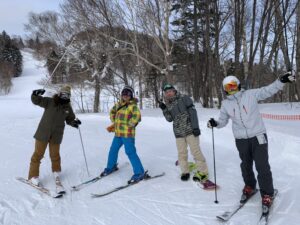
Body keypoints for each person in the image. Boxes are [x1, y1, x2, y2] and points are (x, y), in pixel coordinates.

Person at [207, 71, 295, 210]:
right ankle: (250, 185)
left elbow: (268, 90)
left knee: (262, 166)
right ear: (225, 90)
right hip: (241, 139)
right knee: (245, 165)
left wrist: (281, 81)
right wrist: (215, 123)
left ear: (238, 85)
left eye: (233, 86)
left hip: (258, 136)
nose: (231, 89)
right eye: (228, 87)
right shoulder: (225, 104)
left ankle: (267, 194)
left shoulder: (250, 94)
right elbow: (222, 121)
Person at [28, 85, 81, 186]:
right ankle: (33, 176)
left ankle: (56, 172)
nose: (65, 96)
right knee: (38, 155)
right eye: (63, 94)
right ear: (60, 94)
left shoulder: (68, 108)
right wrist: (35, 94)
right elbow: (36, 100)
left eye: (67, 95)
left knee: (55, 155)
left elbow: (70, 119)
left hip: (56, 135)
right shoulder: (50, 102)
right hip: (43, 133)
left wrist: (74, 122)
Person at [158, 84, 209, 182]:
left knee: (196, 151)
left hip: (190, 130)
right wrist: (164, 109)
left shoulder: (184, 98)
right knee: (181, 153)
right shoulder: (168, 104)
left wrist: (195, 127)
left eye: (170, 91)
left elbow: (193, 113)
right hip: (178, 133)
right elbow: (169, 119)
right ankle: (185, 171)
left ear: (174, 91)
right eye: (166, 92)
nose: (168, 93)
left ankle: (203, 172)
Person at [101, 85, 146, 184]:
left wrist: (131, 124)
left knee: (130, 152)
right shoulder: (118, 104)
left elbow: (137, 116)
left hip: (127, 134)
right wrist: (114, 120)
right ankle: (111, 166)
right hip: (118, 134)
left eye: (127, 94)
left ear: (131, 96)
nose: (125, 96)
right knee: (113, 150)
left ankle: (139, 172)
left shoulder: (132, 106)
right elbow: (112, 111)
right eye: (124, 94)